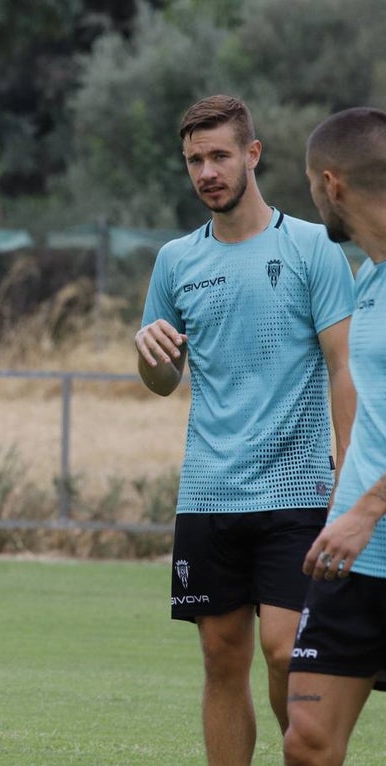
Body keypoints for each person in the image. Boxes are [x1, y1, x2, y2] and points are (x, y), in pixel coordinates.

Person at [134, 95, 356, 766]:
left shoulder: (312, 247)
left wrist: (347, 484)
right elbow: (163, 381)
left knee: (287, 648)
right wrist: (151, 360)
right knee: (220, 657)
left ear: (252, 155)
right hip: (207, 494)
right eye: (195, 159)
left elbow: (344, 368)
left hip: (296, 491)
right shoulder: (175, 261)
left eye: (220, 155)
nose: (207, 171)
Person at [283, 107, 386, 766]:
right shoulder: (369, 278)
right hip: (352, 559)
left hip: (366, 525)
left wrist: (369, 509)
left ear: (332, 184)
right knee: (308, 742)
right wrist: (344, 506)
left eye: (310, 185)